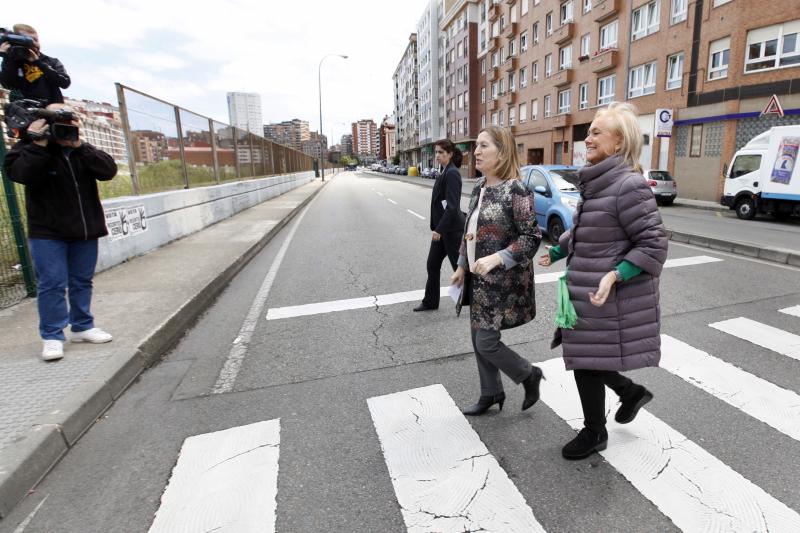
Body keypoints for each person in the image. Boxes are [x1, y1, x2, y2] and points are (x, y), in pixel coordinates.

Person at [538, 102, 668, 460]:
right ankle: (630, 393)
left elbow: (654, 244)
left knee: (585, 360)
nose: (587, 137)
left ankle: (595, 431)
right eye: (588, 131)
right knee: (588, 356)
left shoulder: (628, 186)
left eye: (597, 132)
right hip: (586, 289)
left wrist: (615, 275)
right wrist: (560, 250)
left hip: (604, 294)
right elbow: (588, 231)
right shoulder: (598, 183)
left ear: (618, 142)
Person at [5, 104, 117, 361]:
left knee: (81, 281)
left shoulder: (80, 149)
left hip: (84, 229)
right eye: (57, 118)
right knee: (52, 284)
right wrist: (38, 144)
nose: (64, 123)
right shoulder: (28, 148)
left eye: (68, 117)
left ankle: (83, 326)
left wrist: (80, 145)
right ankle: (53, 335)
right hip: (47, 232)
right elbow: (21, 174)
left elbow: (108, 171)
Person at [451, 126, 544, 415]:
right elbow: (470, 231)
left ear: (501, 152)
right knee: (477, 339)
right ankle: (491, 392)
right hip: (478, 281)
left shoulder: (516, 189)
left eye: (483, 146)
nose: (475, 151)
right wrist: (461, 266)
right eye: (476, 146)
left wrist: (499, 258)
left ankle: (529, 374)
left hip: (503, 283)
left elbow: (531, 238)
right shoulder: (479, 187)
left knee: (487, 341)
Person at [413, 139, 466, 312]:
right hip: (443, 230)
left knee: (459, 268)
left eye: (441, 152)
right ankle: (430, 301)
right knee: (432, 264)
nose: (437, 155)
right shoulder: (444, 171)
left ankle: (477, 300)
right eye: (436, 152)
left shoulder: (452, 173)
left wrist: (439, 229)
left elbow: (452, 207)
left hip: (450, 231)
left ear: (450, 154)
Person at [0, 24, 71, 104]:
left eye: (36, 40)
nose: (34, 43)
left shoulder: (51, 61)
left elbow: (65, 82)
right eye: (28, 40)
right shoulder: (13, 62)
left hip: (51, 112)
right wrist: (7, 58)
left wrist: (38, 63)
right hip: (23, 112)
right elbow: (7, 84)